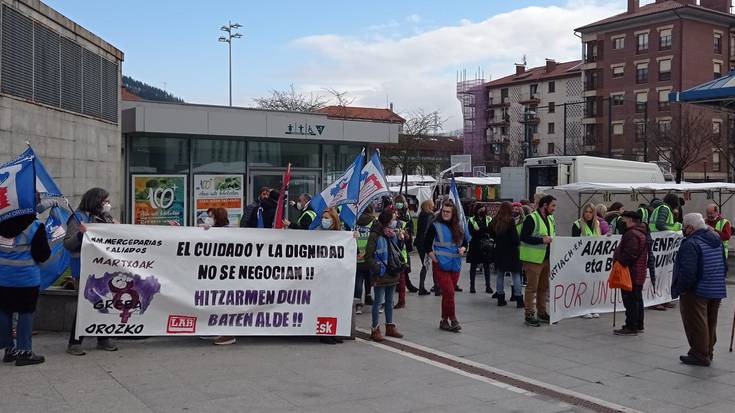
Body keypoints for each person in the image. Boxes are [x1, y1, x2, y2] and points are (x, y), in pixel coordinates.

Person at [63, 188, 119, 356]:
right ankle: (75, 342)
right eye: (104, 201)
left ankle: (103, 338)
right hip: (84, 269)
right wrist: (81, 235)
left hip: (105, 268)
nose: (107, 204)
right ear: (95, 201)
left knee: (104, 302)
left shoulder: (106, 218)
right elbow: (68, 244)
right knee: (85, 303)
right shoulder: (78, 218)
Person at [672, 213, 727, 366]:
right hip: (716, 287)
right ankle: (708, 351)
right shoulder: (716, 239)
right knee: (710, 321)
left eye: (684, 226)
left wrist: (681, 288)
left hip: (697, 290)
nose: (683, 229)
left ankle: (699, 354)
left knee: (696, 323)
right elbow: (724, 264)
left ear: (690, 227)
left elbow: (688, 271)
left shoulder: (691, 243)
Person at [0, 214, 51, 366]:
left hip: (2, 277)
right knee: (25, 313)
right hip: (26, 279)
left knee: (3, 311)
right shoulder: (34, 226)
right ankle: (24, 352)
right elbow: (42, 255)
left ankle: (9, 350)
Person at [424, 199, 467, 332]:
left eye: (448, 212)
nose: (445, 213)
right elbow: (426, 244)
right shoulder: (435, 225)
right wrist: (434, 259)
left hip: (455, 264)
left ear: (453, 213)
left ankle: (444, 320)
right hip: (441, 265)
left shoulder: (458, 225)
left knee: (448, 294)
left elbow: (466, 242)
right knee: (449, 292)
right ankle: (453, 319)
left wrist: (463, 249)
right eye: (443, 211)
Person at [364, 210, 404, 342]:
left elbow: (396, 251)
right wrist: (377, 269)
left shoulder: (392, 233)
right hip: (380, 273)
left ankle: (390, 326)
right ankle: (375, 328)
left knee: (389, 300)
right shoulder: (375, 234)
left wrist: (401, 240)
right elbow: (368, 255)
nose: (395, 221)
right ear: (386, 220)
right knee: (378, 301)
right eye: (393, 219)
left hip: (392, 272)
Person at [520, 195, 556, 327]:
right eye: (553, 205)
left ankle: (542, 312)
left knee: (543, 287)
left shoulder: (550, 218)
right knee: (532, 288)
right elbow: (523, 237)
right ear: (545, 205)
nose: (554, 209)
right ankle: (529, 313)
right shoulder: (531, 218)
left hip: (546, 258)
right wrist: (541, 240)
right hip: (532, 259)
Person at [612, 211, 649, 336]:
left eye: (625, 219)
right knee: (637, 298)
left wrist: (619, 261)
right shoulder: (641, 232)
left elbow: (630, 254)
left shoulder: (632, 234)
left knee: (630, 299)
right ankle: (638, 324)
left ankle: (631, 325)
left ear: (631, 220)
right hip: (638, 271)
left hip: (631, 272)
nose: (623, 221)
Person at [650, 194, 681, 310]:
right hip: (659, 244)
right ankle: (654, 300)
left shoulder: (663, 209)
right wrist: (672, 232)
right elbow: (660, 224)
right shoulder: (665, 209)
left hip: (662, 245)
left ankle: (663, 299)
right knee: (658, 273)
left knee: (663, 273)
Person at [489, 202, 522, 307]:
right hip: (511, 251)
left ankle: (500, 297)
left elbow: (490, 232)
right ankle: (519, 298)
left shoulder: (495, 220)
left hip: (499, 251)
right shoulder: (511, 221)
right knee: (516, 275)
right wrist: (518, 243)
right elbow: (515, 238)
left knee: (500, 275)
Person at [572, 203, 601, 319]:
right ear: (583, 212)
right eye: (586, 212)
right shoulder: (577, 224)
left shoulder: (597, 224)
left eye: (590, 212)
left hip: (594, 260)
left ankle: (592, 307)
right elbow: (574, 243)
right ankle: (582, 309)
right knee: (583, 284)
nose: (588, 214)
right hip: (582, 259)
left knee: (593, 285)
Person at [393, 195, 417, 310]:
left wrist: (405, 233)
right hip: (394, 250)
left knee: (402, 271)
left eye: (400, 203)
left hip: (401, 249)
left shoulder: (406, 216)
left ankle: (402, 298)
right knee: (400, 272)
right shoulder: (392, 217)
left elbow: (410, 230)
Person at [467, 203, 493, 294]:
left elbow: (491, 230)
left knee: (487, 266)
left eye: (484, 210)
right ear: (476, 210)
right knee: (473, 266)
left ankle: (488, 286)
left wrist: (480, 230)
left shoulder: (489, 219)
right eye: (480, 210)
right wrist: (484, 230)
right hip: (475, 244)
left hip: (486, 245)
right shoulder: (471, 220)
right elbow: (472, 232)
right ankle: (472, 286)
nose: (482, 211)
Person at [354, 206, 376, 314]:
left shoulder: (354, 221)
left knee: (358, 281)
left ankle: (358, 303)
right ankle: (368, 296)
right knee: (369, 278)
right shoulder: (373, 222)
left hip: (356, 256)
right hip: (369, 255)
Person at [414, 200, 435, 296]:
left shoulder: (421, 215)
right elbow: (428, 230)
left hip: (419, 242)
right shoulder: (430, 216)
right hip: (426, 243)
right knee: (429, 264)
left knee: (425, 264)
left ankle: (422, 286)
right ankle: (433, 286)